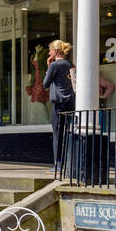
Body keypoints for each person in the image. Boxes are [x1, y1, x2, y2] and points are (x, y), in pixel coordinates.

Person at [43, 39, 75, 167]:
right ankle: (68, 163)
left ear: (55, 51)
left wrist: (48, 67)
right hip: (70, 102)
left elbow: (45, 84)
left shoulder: (54, 66)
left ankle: (58, 164)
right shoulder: (70, 64)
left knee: (57, 134)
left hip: (58, 103)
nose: (49, 52)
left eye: (50, 50)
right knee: (67, 132)